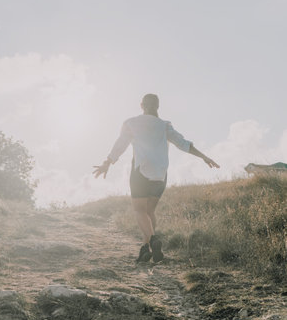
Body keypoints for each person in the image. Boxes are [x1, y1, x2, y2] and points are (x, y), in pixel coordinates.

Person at [93, 94, 219, 263]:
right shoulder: (164, 125)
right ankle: (146, 249)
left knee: (139, 210)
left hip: (141, 171)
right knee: (149, 211)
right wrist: (204, 157)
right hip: (160, 174)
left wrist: (107, 162)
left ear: (141, 105)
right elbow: (184, 143)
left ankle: (153, 239)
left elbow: (120, 144)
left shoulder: (131, 122)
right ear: (157, 106)